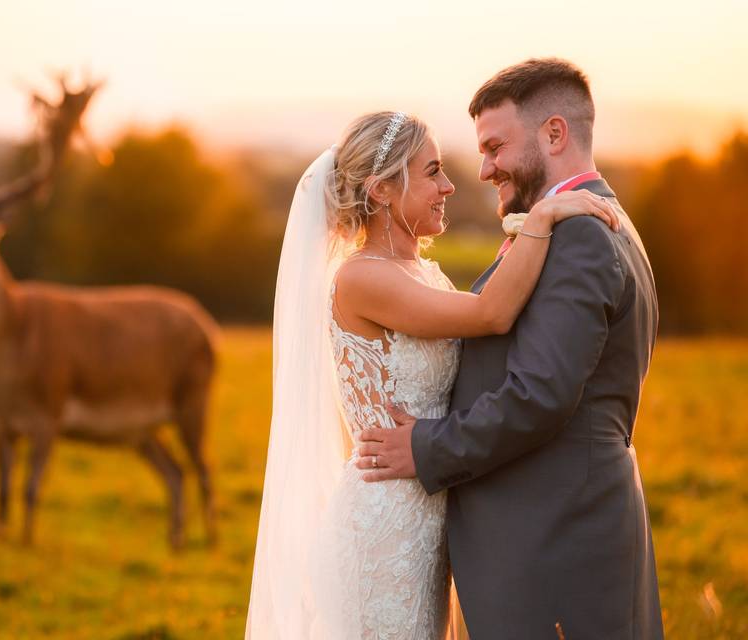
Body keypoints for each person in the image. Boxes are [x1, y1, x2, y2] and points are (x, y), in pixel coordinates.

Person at [245, 102, 618, 638]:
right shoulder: (361, 278)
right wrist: (542, 217)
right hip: (384, 528)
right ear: (381, 191)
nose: (448, 186)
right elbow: (491, 314)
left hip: (427, 512)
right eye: (432, 172)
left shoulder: (420, 271)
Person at [357, 58, 664, 639]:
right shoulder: (583, 221)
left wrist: (425, 447)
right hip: (559, 529)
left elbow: (539, 395)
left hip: (558, 539)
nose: (484, 168)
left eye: (495, 147)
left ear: (555, 133)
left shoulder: (579, 236)